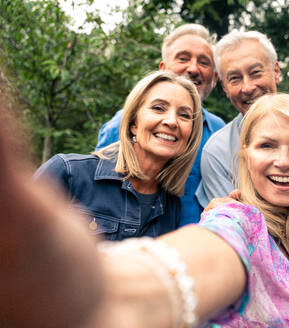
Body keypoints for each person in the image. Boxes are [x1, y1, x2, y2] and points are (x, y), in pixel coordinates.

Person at [3, 93, 289, 327]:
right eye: (267, 146)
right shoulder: (237, 220)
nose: (283, 161)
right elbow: (191, 265)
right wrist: (91, 292)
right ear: (245, 156)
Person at [35, 70, 202, 240]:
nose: (172, 121)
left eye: (184, 115)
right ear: (133, 124)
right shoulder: (69, 173)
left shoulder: (171, 208)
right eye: (158, 108)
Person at [96, 23, 225, 225]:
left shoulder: (220, 131)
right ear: (163, 69)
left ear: (215, 78)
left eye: (204, 62)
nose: (193, 68)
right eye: (183, 58)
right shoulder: (124, 124)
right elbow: (97, 191)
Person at [196, 30, 281, 207]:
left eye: (256, 72)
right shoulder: (217, 152)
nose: (248, 87)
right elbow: (232, 224)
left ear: (276, 72)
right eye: (235, 79)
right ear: (224, 87)